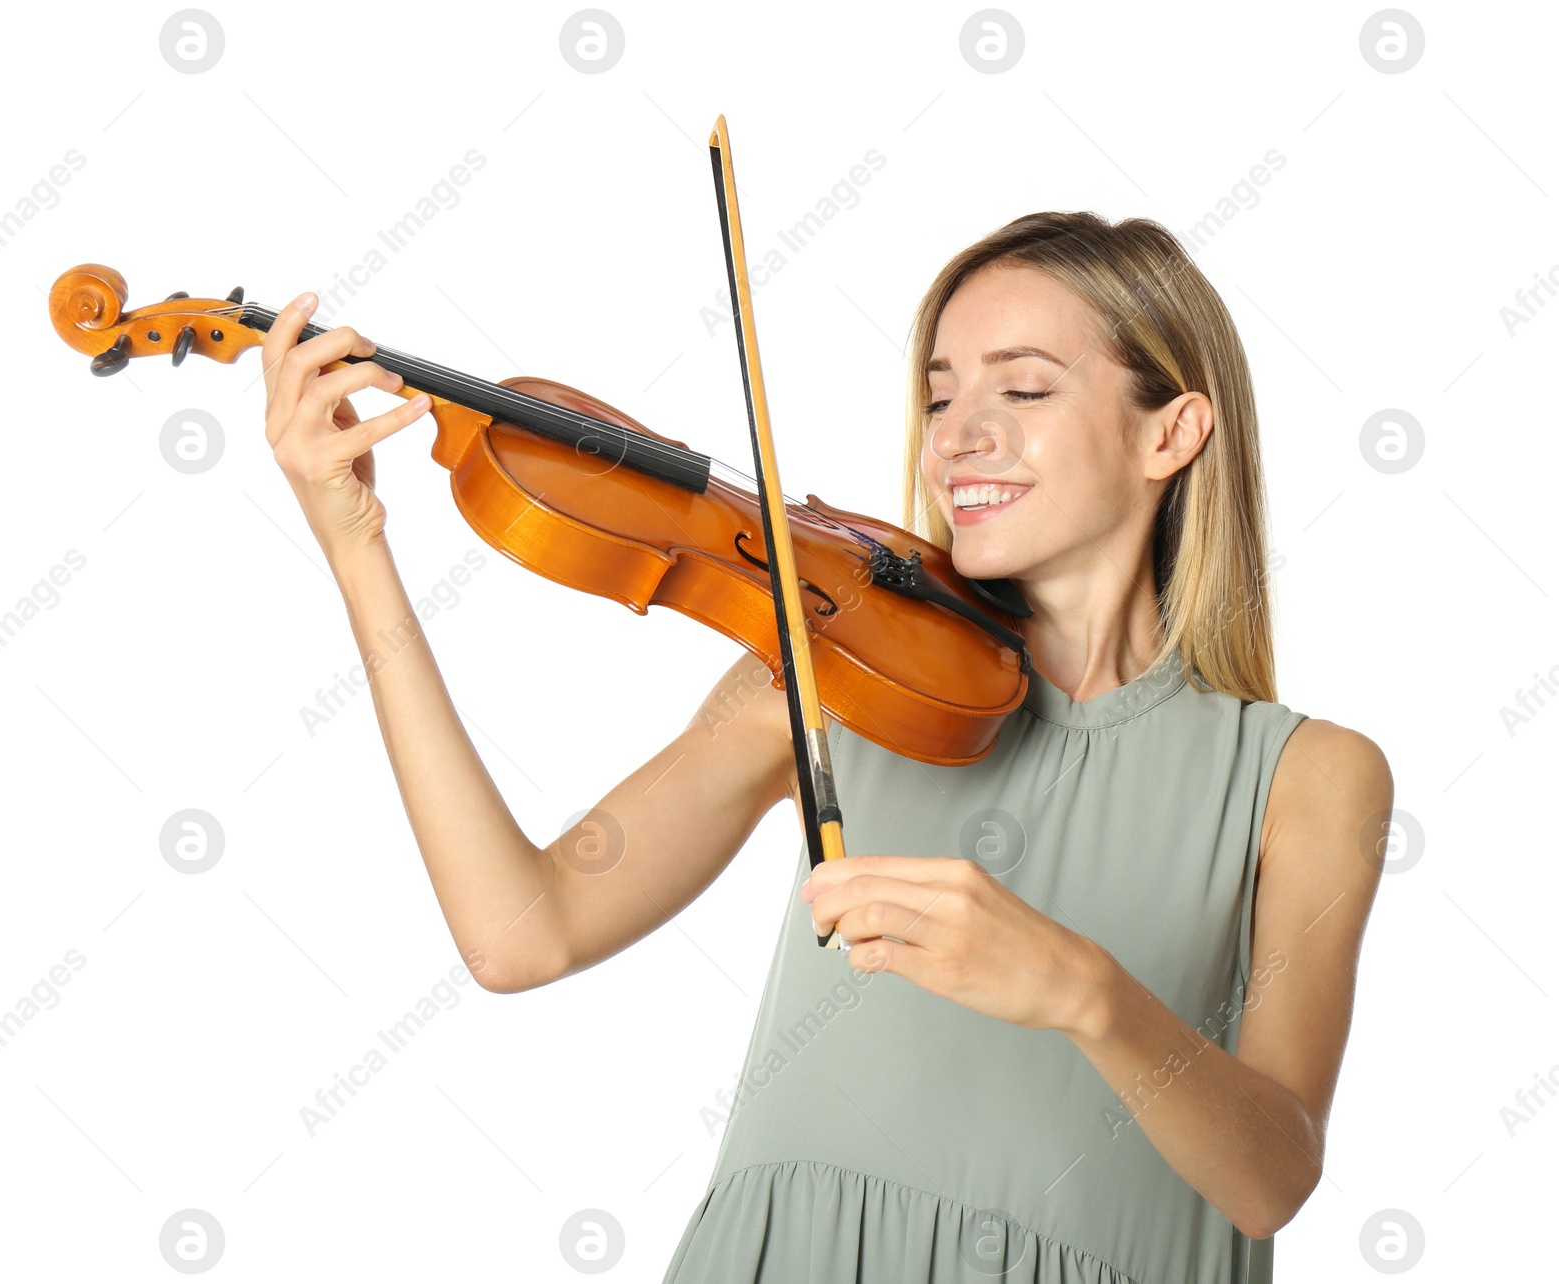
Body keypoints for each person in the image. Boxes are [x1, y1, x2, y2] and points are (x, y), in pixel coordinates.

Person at [260, 210, 1392, 1284]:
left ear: (1172, 432)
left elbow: (1271, 1178)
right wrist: (358, 550)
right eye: (940, 395)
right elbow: (523, 933)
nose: (958, 436)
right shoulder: (823, 674)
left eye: (1026, 388)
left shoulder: (1307, 776)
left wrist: (1085, 991)